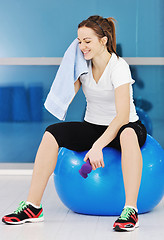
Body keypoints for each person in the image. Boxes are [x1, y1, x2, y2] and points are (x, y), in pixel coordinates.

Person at [2, 15, 147, 232]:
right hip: (93, 125)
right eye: (79, 41)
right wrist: (71, 66)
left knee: (126, 134)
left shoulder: (119, 67)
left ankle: (130, 210)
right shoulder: (82, 66)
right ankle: (33, 206)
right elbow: (66, 94)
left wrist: (98, 146)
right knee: (51, 133)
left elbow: (122, 116)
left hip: (126, 126)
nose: (82, 46)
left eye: (87, 41)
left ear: (103, 41)